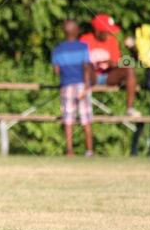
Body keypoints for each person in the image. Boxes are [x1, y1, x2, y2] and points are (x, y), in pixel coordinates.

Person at [79, 13, 140, 116]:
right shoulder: (85, 40)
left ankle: (130, 108)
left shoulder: (112, 41)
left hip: (107, 76)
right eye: (107, 32)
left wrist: (112, 63)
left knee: (129, 69)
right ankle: (83, 109)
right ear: (98, 31)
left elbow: (116, 61)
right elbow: (80, 63)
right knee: (86, 66)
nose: (110, 34)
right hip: (90, 77)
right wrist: (94, 64)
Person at [51, 20, 94, 156]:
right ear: (76, 31)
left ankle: (69, 151)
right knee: (85, 119)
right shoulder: (83, 47)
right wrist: (87, 87)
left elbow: (56, 71)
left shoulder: (58, 49)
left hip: (66, 86)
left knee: (68, 119)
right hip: (81, 85)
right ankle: (89, 151)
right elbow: (86, 67)